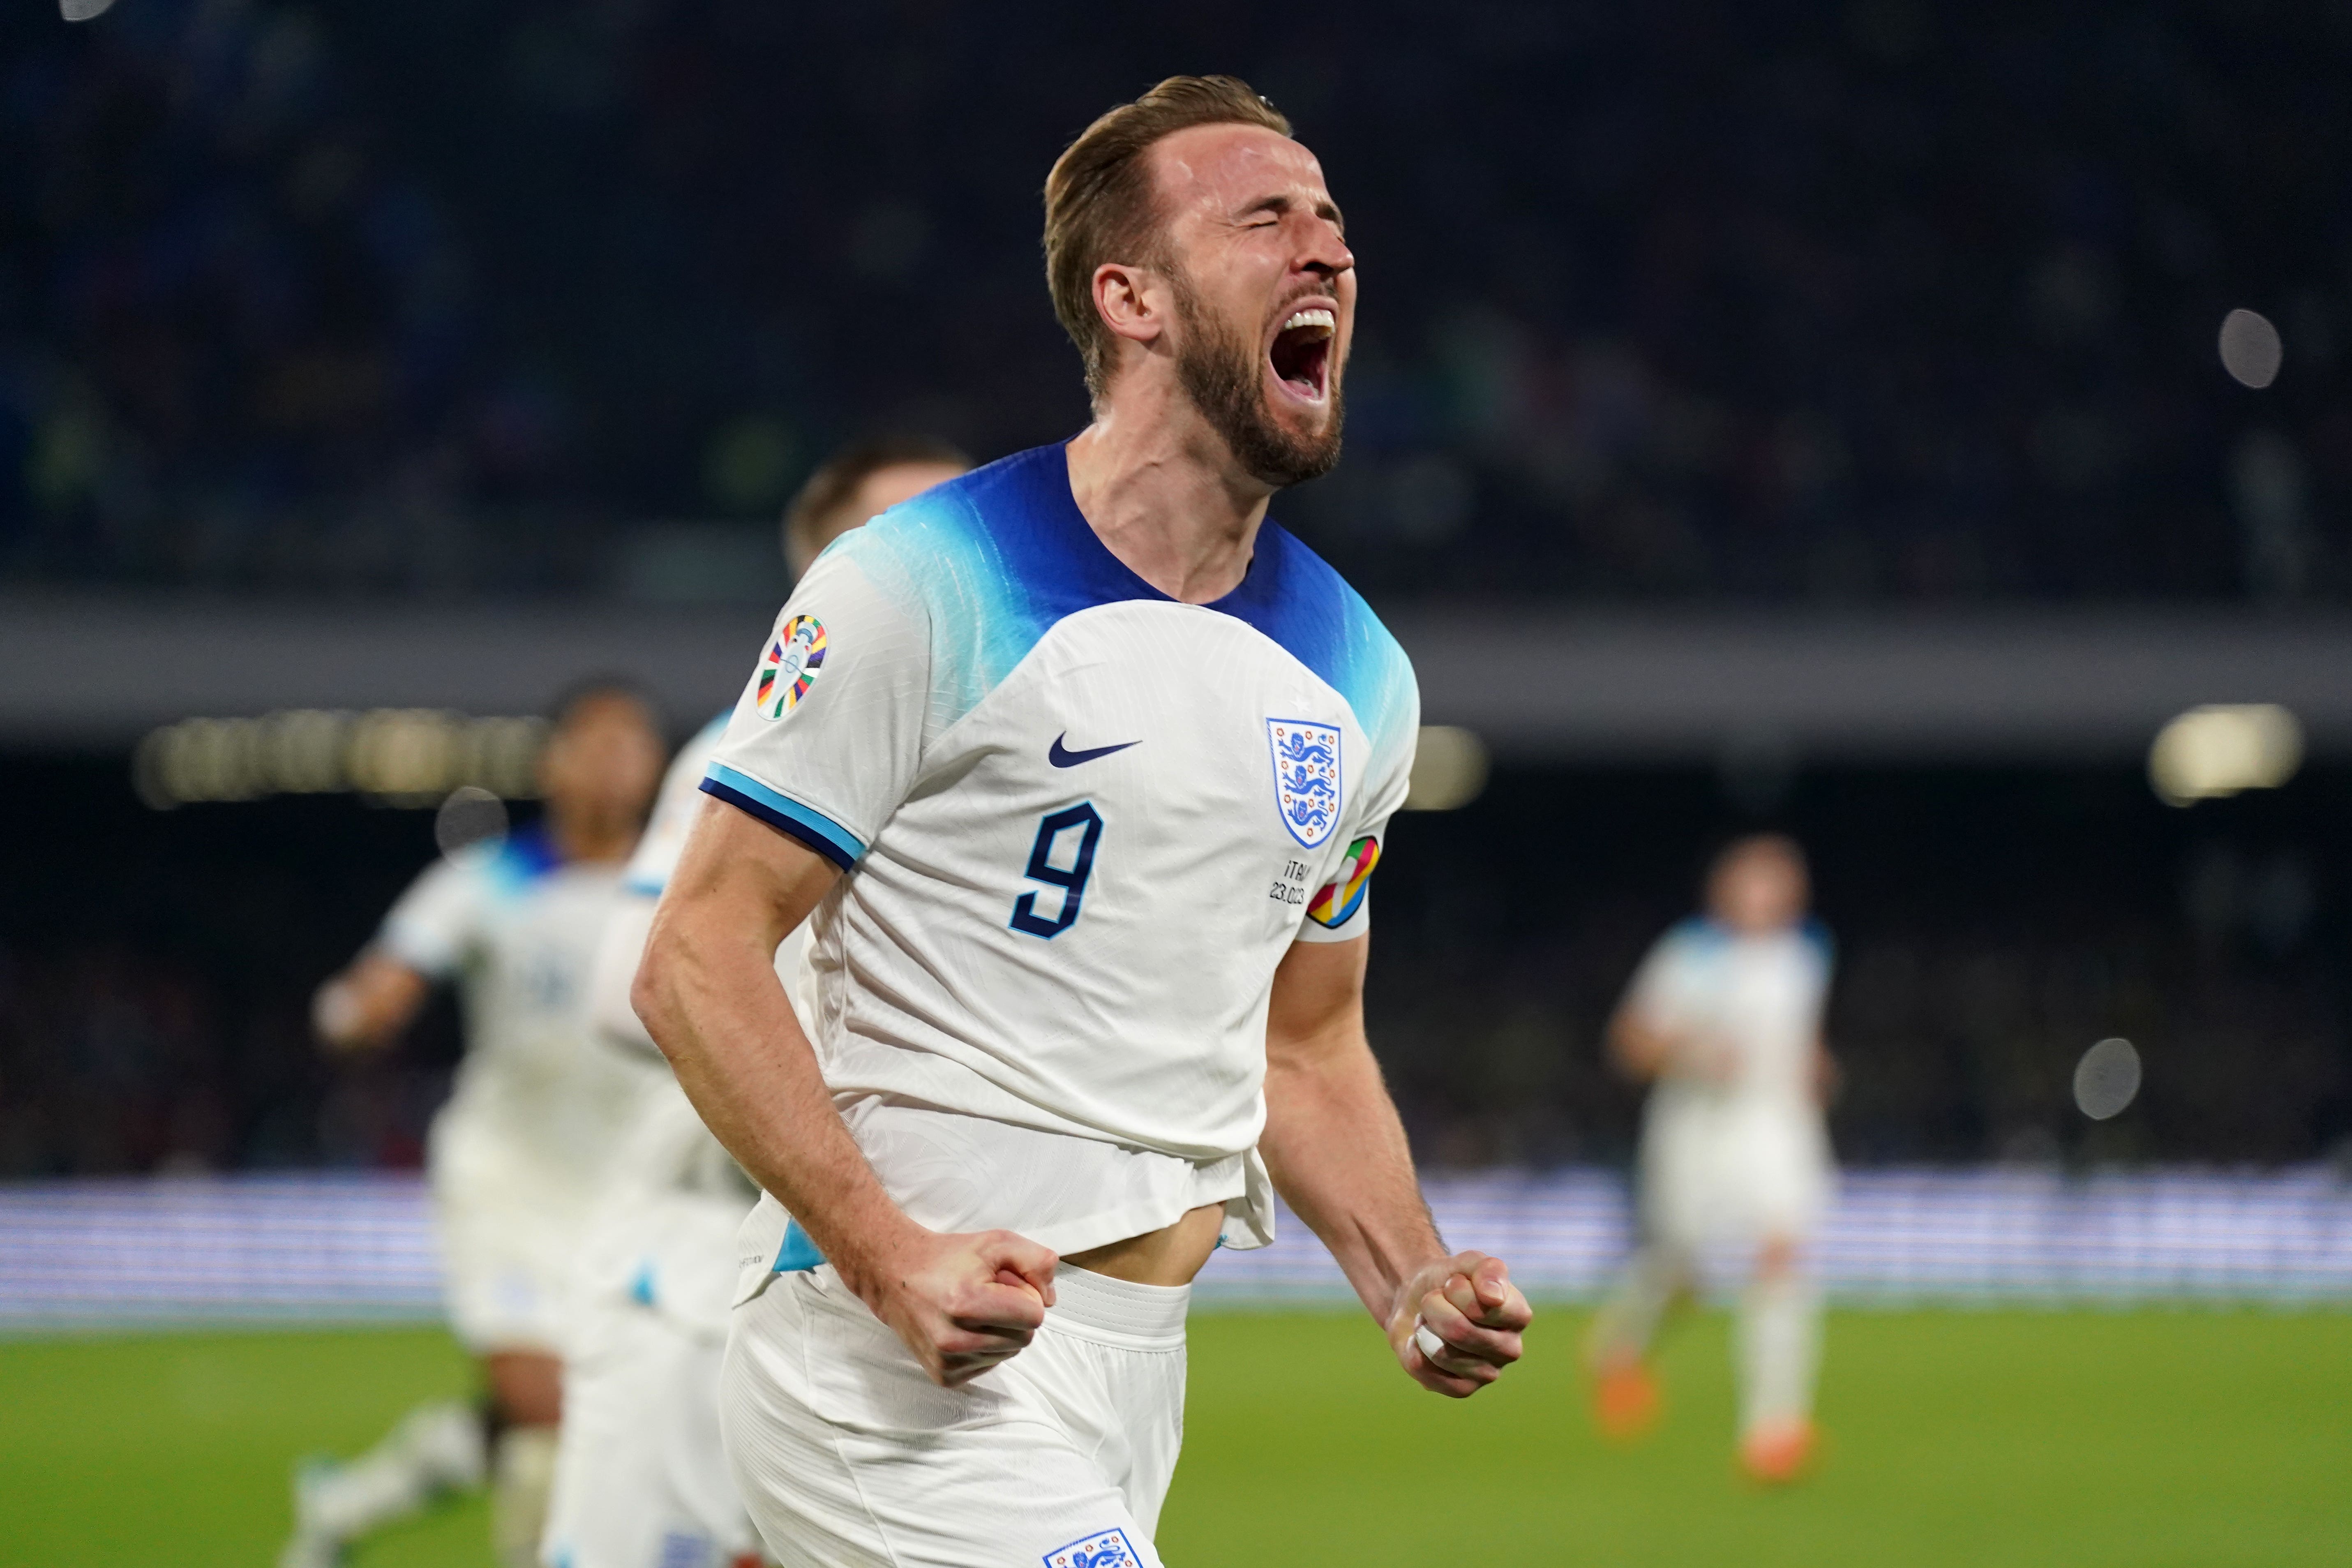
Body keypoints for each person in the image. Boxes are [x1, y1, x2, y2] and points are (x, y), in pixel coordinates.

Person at [633, 75, 1532, 1568]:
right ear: (1132, 299)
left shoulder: (1362, 673)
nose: (1326, 253)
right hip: (890, 1352)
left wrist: (1407, 1269)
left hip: (1133, 1369)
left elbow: (1302, 1042)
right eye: (1265, 219)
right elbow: (696, 952)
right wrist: (887, 1254)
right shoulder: (919, 580)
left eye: (1333, 224)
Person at [542, 437, 970, 1568]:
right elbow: (624, 994)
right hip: (689, 1277)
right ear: (825, 576)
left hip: (856, 1279)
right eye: (906, 535)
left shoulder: (994, 768)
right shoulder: (753, 749)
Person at [281, 683, 668, 1568]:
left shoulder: (682, 885)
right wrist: (356, 1012)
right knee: (549, 1410)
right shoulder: (489, 879)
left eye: (633, 743)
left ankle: (348, 1503)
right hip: (512, 1183)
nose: (615, 760)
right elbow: (391, 972)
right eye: (595, 741)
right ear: (553, 762)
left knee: (599, 1408)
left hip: (634, 1189)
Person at [1584, 833, 1838, 1483]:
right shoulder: (1689, 955)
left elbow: (1799, 1037)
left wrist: (1815, 1068)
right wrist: (1694, 1056)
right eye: (1753, 881)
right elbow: (1630, 1043)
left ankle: (1775, 1429)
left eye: (1778, 881)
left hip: (1776, 1125)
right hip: (1696, 1125)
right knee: (1682, 1269)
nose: (1766, 895)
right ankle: (1618, 1349)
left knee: (1783, 1256)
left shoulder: (1807, 954)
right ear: (1725, 890)